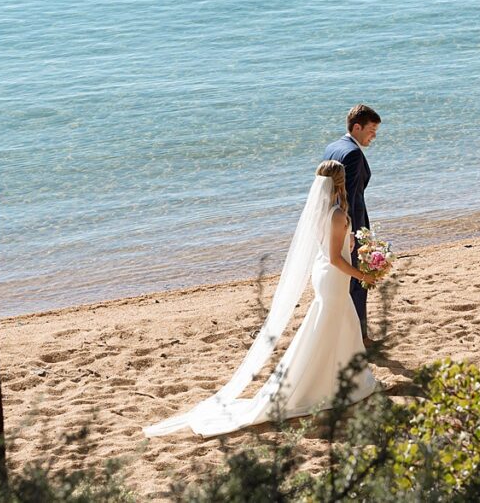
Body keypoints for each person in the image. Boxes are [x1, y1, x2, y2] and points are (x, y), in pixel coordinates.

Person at [143, 161, 378, 437]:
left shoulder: (320, 213)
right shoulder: (337, 215)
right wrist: (363, 275)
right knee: (332, 326)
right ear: (340, 181)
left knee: (335, 325)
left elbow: (330, 249)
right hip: (333, 276)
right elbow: (336, 258)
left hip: (324, 274)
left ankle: (339, 379)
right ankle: (327, 384)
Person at [322, 104, 381, 345]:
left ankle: (345, 334)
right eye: (371, 130)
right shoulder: (354, 154)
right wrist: (355, 235)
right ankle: (360, 337)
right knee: (357, 282)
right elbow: (352, 198)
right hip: (350, 226)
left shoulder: (332, 147)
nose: (373, 136)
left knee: (340, 283)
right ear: (357, 127)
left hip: (332, 221)